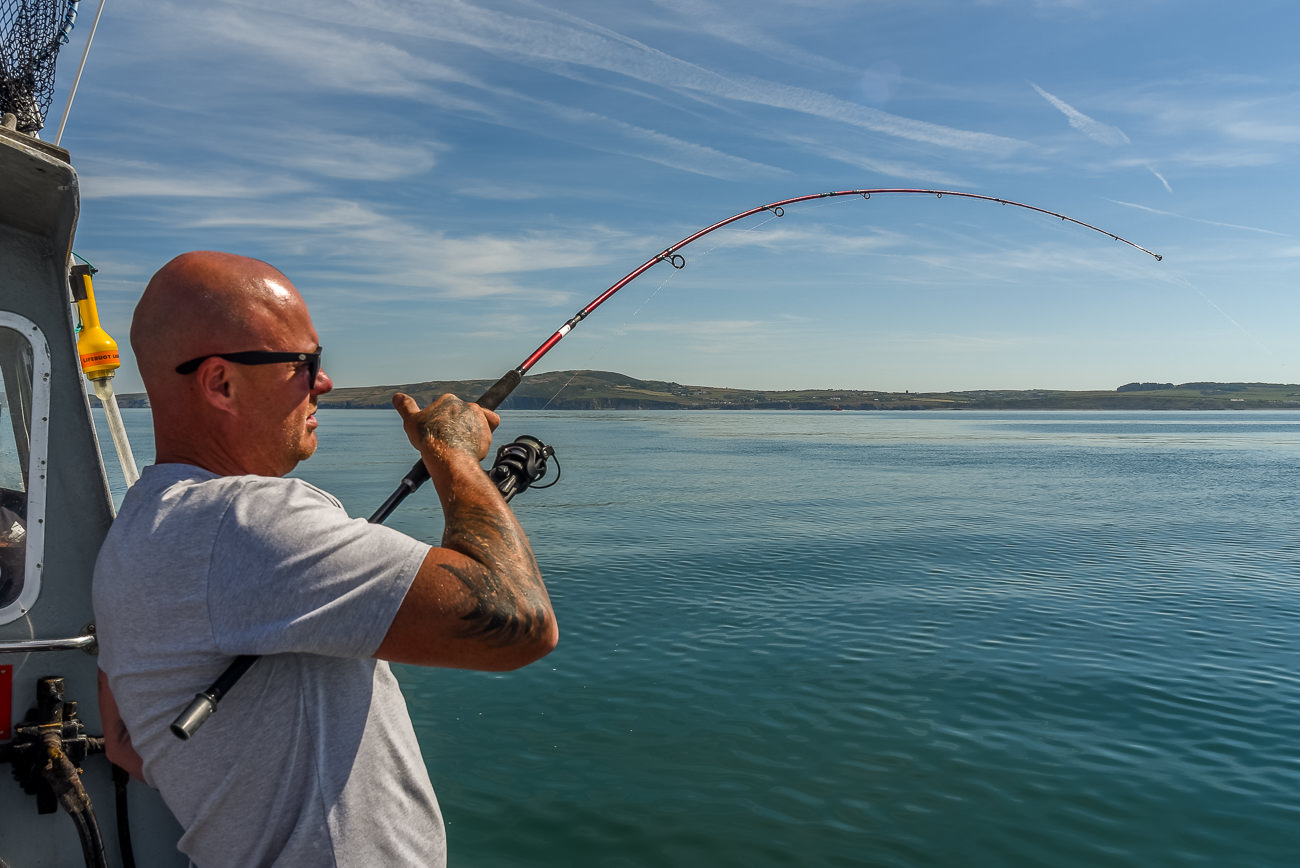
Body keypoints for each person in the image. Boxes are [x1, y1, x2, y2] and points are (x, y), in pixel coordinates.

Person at [93, 251, 558, 867]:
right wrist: (453, 455)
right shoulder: (248, 520)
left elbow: (124, 743)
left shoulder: (134, 532)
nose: (324, 382)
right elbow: (522, 623)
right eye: (304, 363)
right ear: (220, 383)